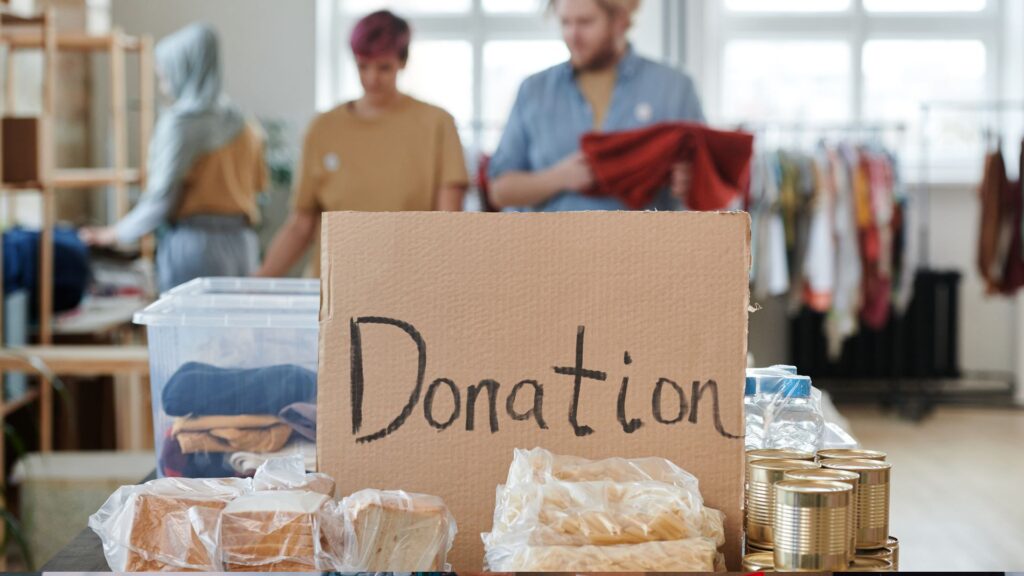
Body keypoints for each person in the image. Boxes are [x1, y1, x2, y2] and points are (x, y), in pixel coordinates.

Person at [256, 10, 469, 278]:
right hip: (334, 288)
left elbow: (447, 225)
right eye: (363, 66)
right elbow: (301, 225)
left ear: (402, 62)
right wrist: (259, 280)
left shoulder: (437, 124)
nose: (372, 78)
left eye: (384, 67)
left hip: (408, 286)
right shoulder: (323, 128)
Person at [80, 23, 266, 292]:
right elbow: (259, 186)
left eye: (165, 76)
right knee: (237, 331)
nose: (164, 87)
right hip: (243, 247)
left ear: (185, 69)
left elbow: (161, 200)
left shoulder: (181, 124)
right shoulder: (246, 125)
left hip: (196, 250)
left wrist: (113, 234)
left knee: (194, 332)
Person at [488, 0, 705, 212]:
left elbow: (711, 183)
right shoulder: (534, 91)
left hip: (647, 244)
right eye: (565, 22)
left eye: (585, 22)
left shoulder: (674, 88)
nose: (573, 35)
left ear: (621, 21)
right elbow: (499, 190)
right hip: (551, 245)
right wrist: (559, 178)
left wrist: (692, 181)